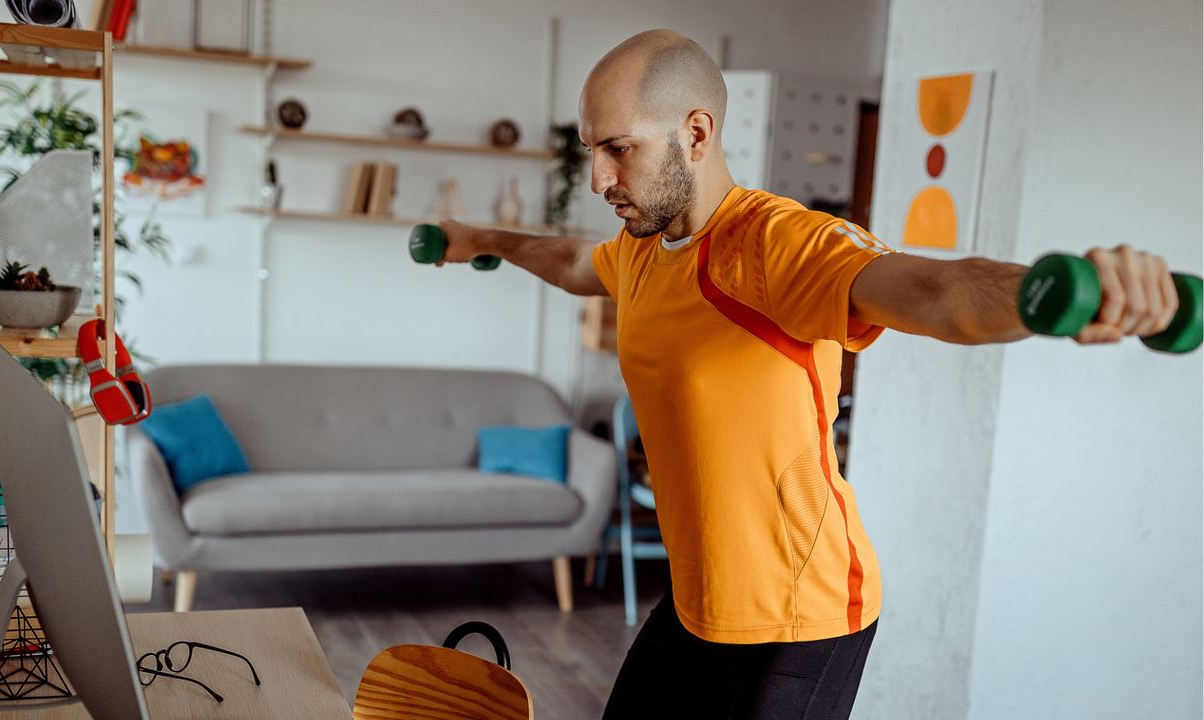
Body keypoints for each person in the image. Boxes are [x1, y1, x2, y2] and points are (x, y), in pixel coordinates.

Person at [437, 29, 1179, 720]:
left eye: (618, 150)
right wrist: (484, 240)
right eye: (592, 149)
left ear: (696, 134)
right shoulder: (641, 249)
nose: (599, 178)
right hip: (698, 602)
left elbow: (932, 291)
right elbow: (573, 263)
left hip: (799, 618)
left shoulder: (772, 244)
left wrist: (1057, 294)